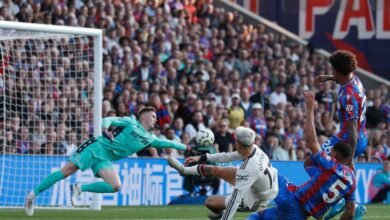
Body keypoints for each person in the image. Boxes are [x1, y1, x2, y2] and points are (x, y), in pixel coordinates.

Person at [24, 107, 187, 216]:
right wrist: (104, 128)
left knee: (116, 186)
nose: (155, 120)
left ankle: (79, 188)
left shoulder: (150, 139)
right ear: (144, 116)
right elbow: (109, 119)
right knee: (67, 171)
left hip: (106, 158)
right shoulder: (131, 122)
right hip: (96, 147)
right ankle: (32, 196)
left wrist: (186, 147)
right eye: (153, 116)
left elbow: (169, 143)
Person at [248, 91, 356, 220]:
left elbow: (311, 141)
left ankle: (229, 191)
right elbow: (350, 212)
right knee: (262, 216)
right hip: (300, 215)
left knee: (263, 172)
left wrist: (310, 109)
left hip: (292, 198)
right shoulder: (352, 181)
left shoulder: (330, 165)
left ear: (334, 153)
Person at [168, 126, 278, 220]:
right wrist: (201, 157)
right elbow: (227, 156)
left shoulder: (249, 168)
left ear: (238, 144)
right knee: (215, 170)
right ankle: (184, 170)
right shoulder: (253, 148)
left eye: (235, 140)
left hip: (256, 200)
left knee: (210, 202)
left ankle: (220, 213)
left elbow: (235, 200)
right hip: (261, 186)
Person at [316, 50, 367, 219]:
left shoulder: (347, 96)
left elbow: (352, 130)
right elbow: (343, 74)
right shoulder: (355, 81)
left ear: (339, 71)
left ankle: (340, 201)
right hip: (361, 136)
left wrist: (350, 157)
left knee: (314, 161)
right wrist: (329, 77)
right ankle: (349, 205)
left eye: (333, 71)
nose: (333, 73)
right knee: (332, 169)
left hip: (349, 139)